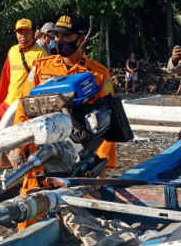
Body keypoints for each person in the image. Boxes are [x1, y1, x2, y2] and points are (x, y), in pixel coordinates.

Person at [10, 14, 117, 229]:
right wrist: (17, 146)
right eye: (57, 35)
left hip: (79, 155)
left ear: (81, 38)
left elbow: (108, 122)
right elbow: (24, 107)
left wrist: (100, 165)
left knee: (81, 217)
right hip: (42, 152)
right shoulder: (41, 68)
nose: (60, 41)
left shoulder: (98, 74)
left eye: (67, 36)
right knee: (30, 210)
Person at [0, 18, 48, 133]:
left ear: (33, 33)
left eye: (26, 32)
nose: (23, 36)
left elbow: (43, 85)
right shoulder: (12, 51)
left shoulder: (41, 54)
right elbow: (5, 79)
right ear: (16, 33)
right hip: (8, 103)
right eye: (20, 32)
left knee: (16, 139)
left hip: (26, 107)